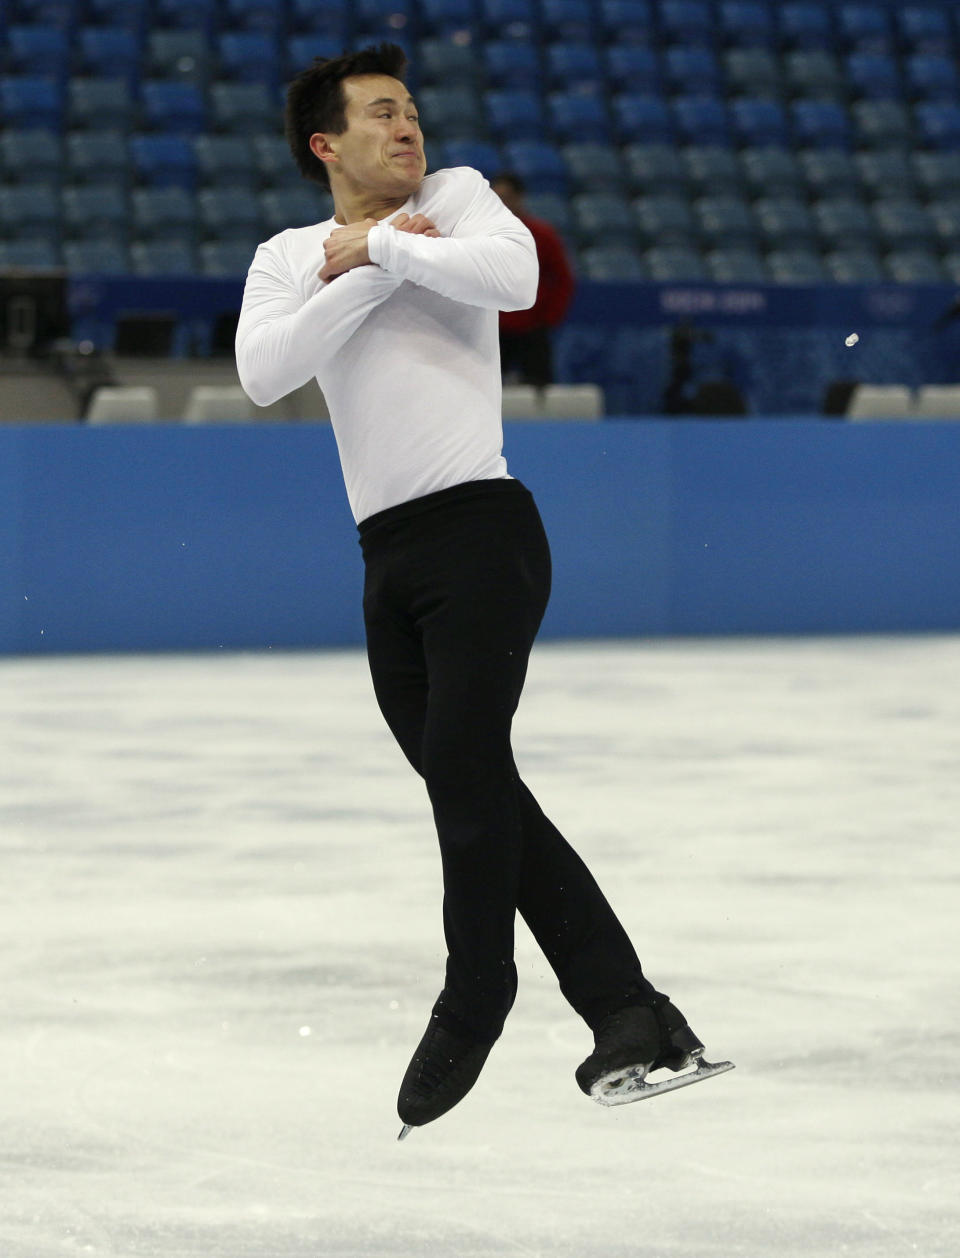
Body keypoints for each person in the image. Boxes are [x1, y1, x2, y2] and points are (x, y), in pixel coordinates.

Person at [235, 43, 729, 1139]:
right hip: (387, 559)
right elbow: (265, 370)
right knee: (481, 791)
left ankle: (478, 996)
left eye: (412, 110)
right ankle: (633, 1014)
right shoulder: (289, 253)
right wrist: (366, 259)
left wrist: (390, 252)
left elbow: (517, 282)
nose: (408, 128)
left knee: (464, 767)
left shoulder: (456, 200)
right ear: (327, 144)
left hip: (483, 533)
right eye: (381, 114)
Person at [491, 172, 575, 388]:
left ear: (520, 198)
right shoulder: (481, 235)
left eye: (507, 197)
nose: (502, 203)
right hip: (493, 327)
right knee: (487, 388)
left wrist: (548, 319)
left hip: (532, 328)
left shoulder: (542, 235)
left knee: (541, 389)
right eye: (496, 197)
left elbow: (562, 279)